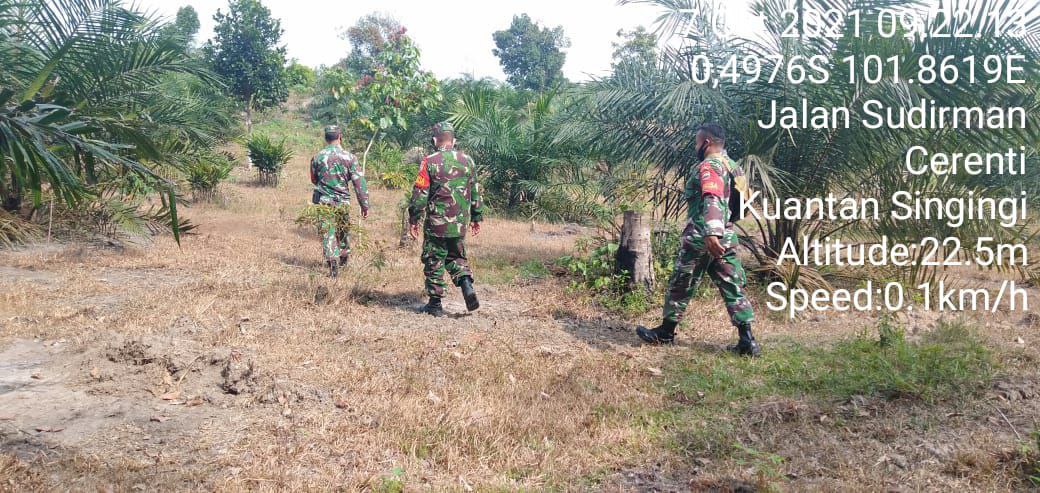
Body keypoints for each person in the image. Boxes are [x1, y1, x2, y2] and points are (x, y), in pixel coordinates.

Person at [635, 123, 760, 356]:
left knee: (681, 281)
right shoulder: (734, 168)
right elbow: (745, 205)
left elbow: (711, 196)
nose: (696, 146)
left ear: (706, 143)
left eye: (696, 142)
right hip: (728, 234)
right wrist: (725, 226)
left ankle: (665, 333)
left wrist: (712, 231)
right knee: (732, 285)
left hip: (704, 235)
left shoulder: (709, 165)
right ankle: (747, 341)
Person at [407, 121, 484, 317]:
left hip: (436, 223)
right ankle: (466, 283)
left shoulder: (429, 161)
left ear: (435, 140)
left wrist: (413, 218)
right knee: (456, 256)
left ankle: (434, 304)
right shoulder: (468, 161)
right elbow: (475, 191)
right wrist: (477, 217)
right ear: (453, 140)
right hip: (460, 222)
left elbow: (420, 193)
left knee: (434, 258)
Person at [310, 125, 369, 278]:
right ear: (340, 136)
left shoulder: (317, 157)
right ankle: (343, 259)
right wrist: (365, 205)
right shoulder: (350, 157)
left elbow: (314, 179)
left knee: (327, 232)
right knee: (343, 231)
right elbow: (359, 184)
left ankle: (332, 265)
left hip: (324, 201)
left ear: (325, 138)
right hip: (343, 202)